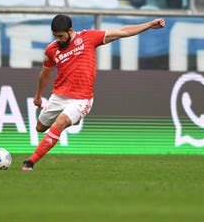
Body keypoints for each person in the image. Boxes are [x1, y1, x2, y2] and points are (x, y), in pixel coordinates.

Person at [22, 14, 165, 171]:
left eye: (61, 36)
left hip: (81, 99)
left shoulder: (88, 37)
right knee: (40, 128)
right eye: (55, 36)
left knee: (60, 122)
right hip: (59, 96)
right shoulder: (51, 49)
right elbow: (46, 73)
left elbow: (122, 31)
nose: (58, 40)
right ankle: (69, 120)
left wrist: (150, 24)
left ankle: (30, 162)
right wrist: (38, 95)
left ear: (70, 31)